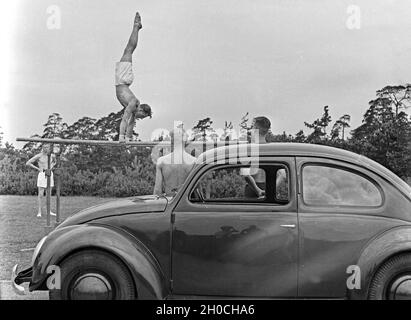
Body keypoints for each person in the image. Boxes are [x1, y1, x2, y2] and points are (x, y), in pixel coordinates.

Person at [116, 12, 152, 142]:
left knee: (128, 50)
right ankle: (136, 26)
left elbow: (130, 124)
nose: (140, 118)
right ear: (141, 109)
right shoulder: (133, 103)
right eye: (142, 116)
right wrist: (121, 136)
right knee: (129, 50)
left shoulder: (134, 108)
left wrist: (129, 138)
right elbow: (125, 118)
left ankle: (137, 27)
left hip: (123, 80)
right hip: (122, 79)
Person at [153, 128, 197, 196]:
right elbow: (196, 189)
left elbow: (157, 191)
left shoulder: (161, 161)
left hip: (169, 203)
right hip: (187, 203)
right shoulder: (194, 161)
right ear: (185, 141)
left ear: (172, 141)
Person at [241, 116, 271, 198]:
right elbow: (282, 175)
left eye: (252, 127)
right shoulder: (271, 149)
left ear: (256, 129)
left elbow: (245, 174)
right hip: (267, 187)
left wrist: (257, 190)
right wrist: (271, 190)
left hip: (252, 189)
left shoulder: (249, 149)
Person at [26, 145, 56, 217]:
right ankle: (39, 212)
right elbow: (28, 163)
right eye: (45, 147)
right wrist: (37, 168)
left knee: (49, 194)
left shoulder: (52, 156)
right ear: (42, 148)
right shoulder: (39, 156)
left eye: (47, 147)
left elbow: (55, 161)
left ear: (49, 148)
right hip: (42, 174)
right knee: (41, 194)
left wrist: (52, 166)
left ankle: (49, 211)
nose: (46, 148)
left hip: (50, 174)